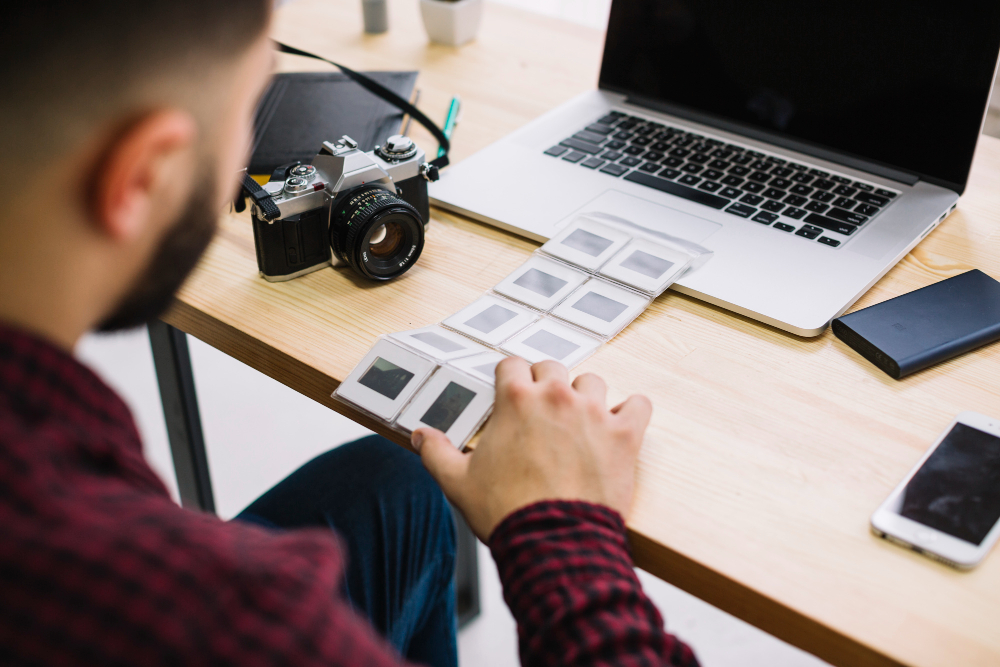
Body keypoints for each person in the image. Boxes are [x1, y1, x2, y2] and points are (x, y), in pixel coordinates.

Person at [0, 3, 699, 666]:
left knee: (401, 481)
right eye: (249, 116)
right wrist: (562, 529)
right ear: (143, 176)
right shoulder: (240, 618)